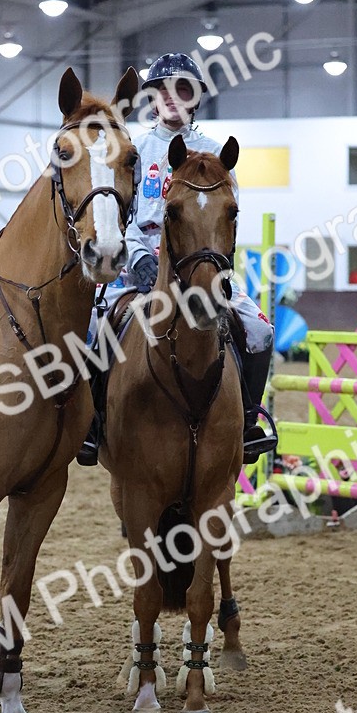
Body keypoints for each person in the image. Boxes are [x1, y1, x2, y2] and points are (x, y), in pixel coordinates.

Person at [77, 52, 275, 465]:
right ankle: (94, 424)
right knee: (93, 329)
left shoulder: (217, 153)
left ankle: (247, 422)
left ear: (195, 97)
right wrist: (137, 256)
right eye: (163, 89)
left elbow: (227, 220)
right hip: (139, 263)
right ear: (151, 97)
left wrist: (217, 265)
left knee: (259, 330)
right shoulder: (134, 149)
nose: (171, 97)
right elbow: (120, 212)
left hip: (201, 263)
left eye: (182, 89)